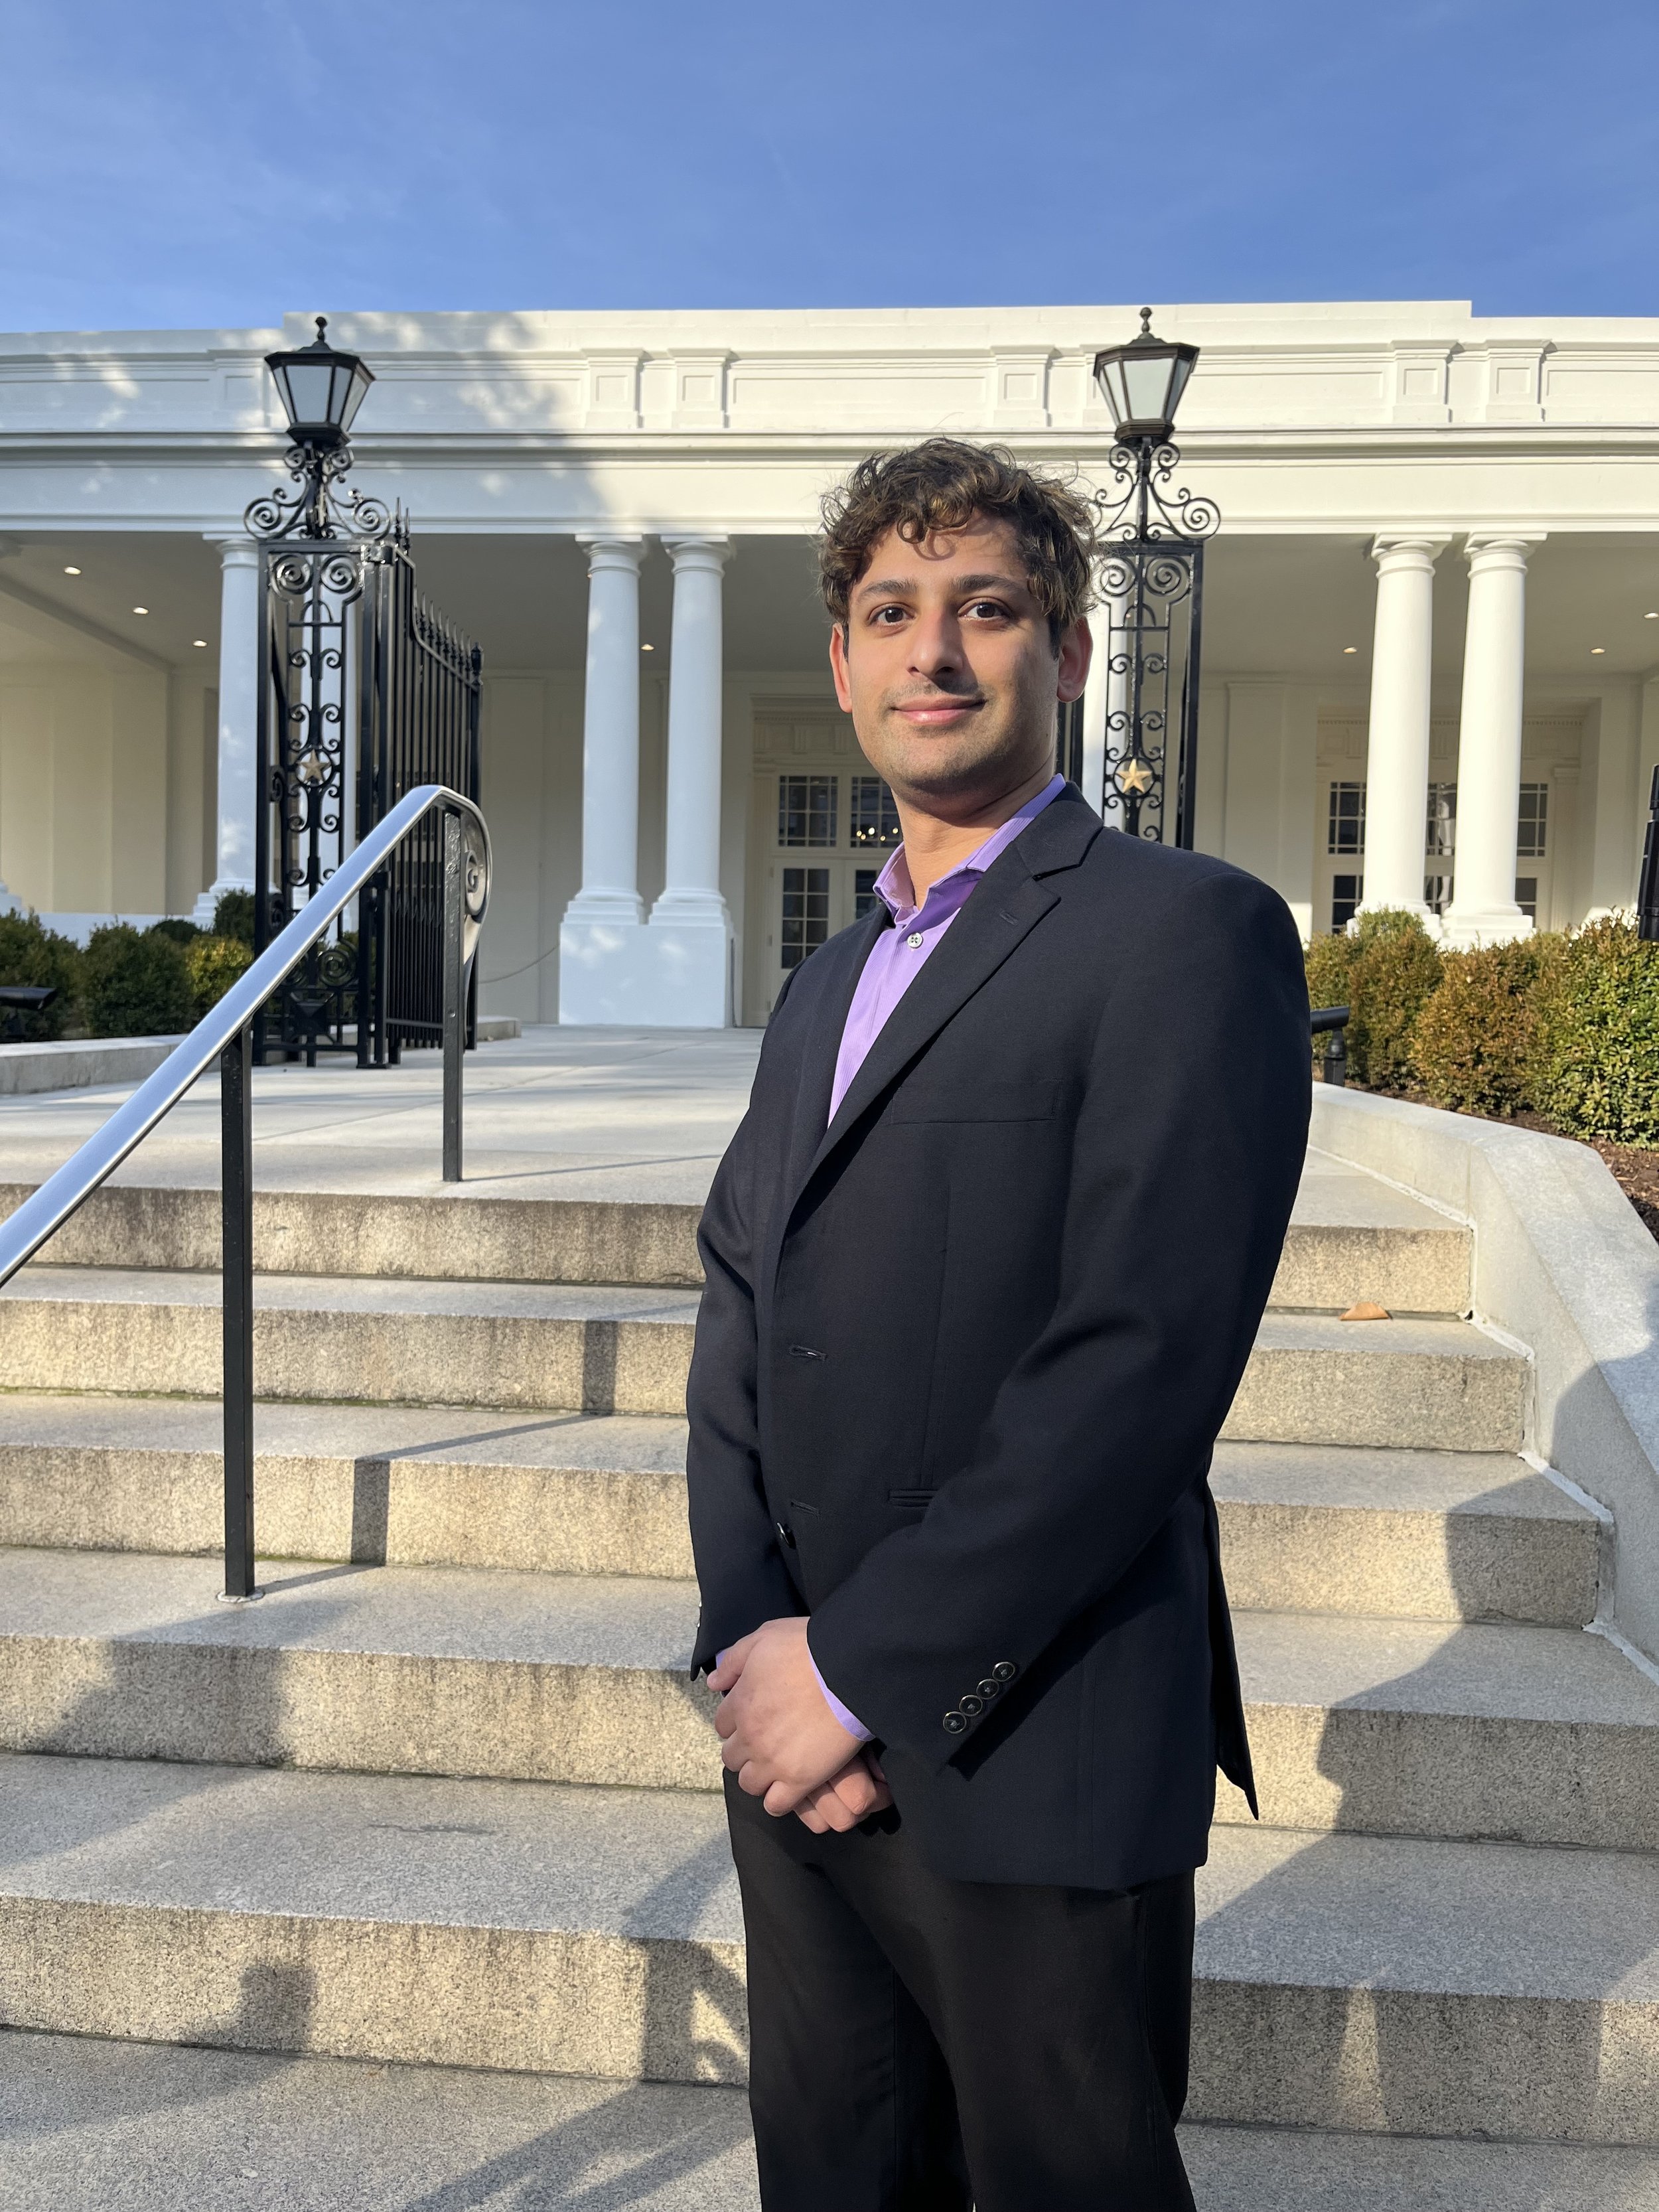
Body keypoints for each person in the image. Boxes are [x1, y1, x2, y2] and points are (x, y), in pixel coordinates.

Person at [686, 436, 1310, 2210]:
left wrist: (865, 1671)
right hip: (791, 1730)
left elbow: (1139, 1361)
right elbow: (742, 1298)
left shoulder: (1183, 937)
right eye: (889, 613)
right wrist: (759, 1650)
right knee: (835, 2175)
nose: (932, 653)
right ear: (841, 661)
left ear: (1067, 652)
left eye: (986, 610)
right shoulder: (825, 974)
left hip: (1027, 1728)